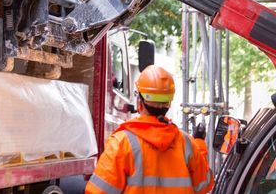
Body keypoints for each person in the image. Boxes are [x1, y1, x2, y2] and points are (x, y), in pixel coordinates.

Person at [85, 65, 214, 194]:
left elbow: (98, 191)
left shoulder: (121, 143)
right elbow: (204, 185)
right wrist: (200, 144)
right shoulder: (187, 143)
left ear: (139, 102)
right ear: (168, 103)